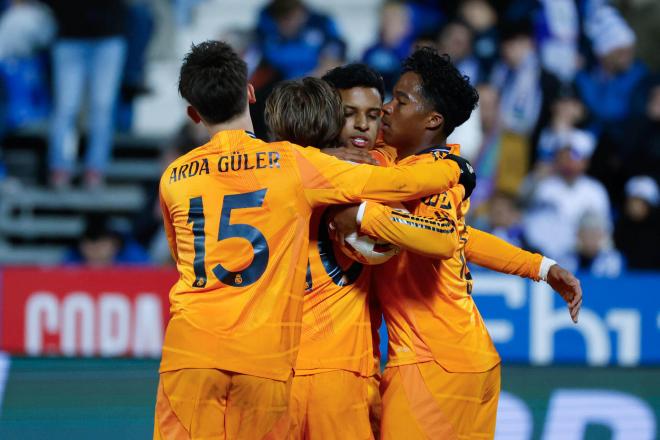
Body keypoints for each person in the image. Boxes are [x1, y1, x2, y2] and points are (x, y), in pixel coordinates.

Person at [154, 41, 472, 440]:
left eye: (372, 115)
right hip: (268, 360)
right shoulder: (295, 167)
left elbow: (181, 257)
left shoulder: (173, 177)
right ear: (250, 92)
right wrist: (455, 168)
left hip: (191, 349)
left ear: (193, 113)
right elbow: (402, 184)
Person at [360, 48, 580, 438]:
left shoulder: (433, 176)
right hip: (468, 360)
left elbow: (443, 239)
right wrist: (540, 267)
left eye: (401, 101)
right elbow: (462, 236)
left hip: (432, 366)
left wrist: (363, 216)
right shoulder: (428, 170)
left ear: (433, 120)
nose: (387, 109)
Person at [44, 0, 128, 188]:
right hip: (69, 36)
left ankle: (95, 170)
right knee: (66, 107)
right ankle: (60, 168)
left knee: (102, 106)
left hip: (108, 36)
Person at [614, 175, 660, 270]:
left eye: (641, 201)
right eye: (632, 200)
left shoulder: (656, 231)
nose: (635, 205)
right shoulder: (619, 228)